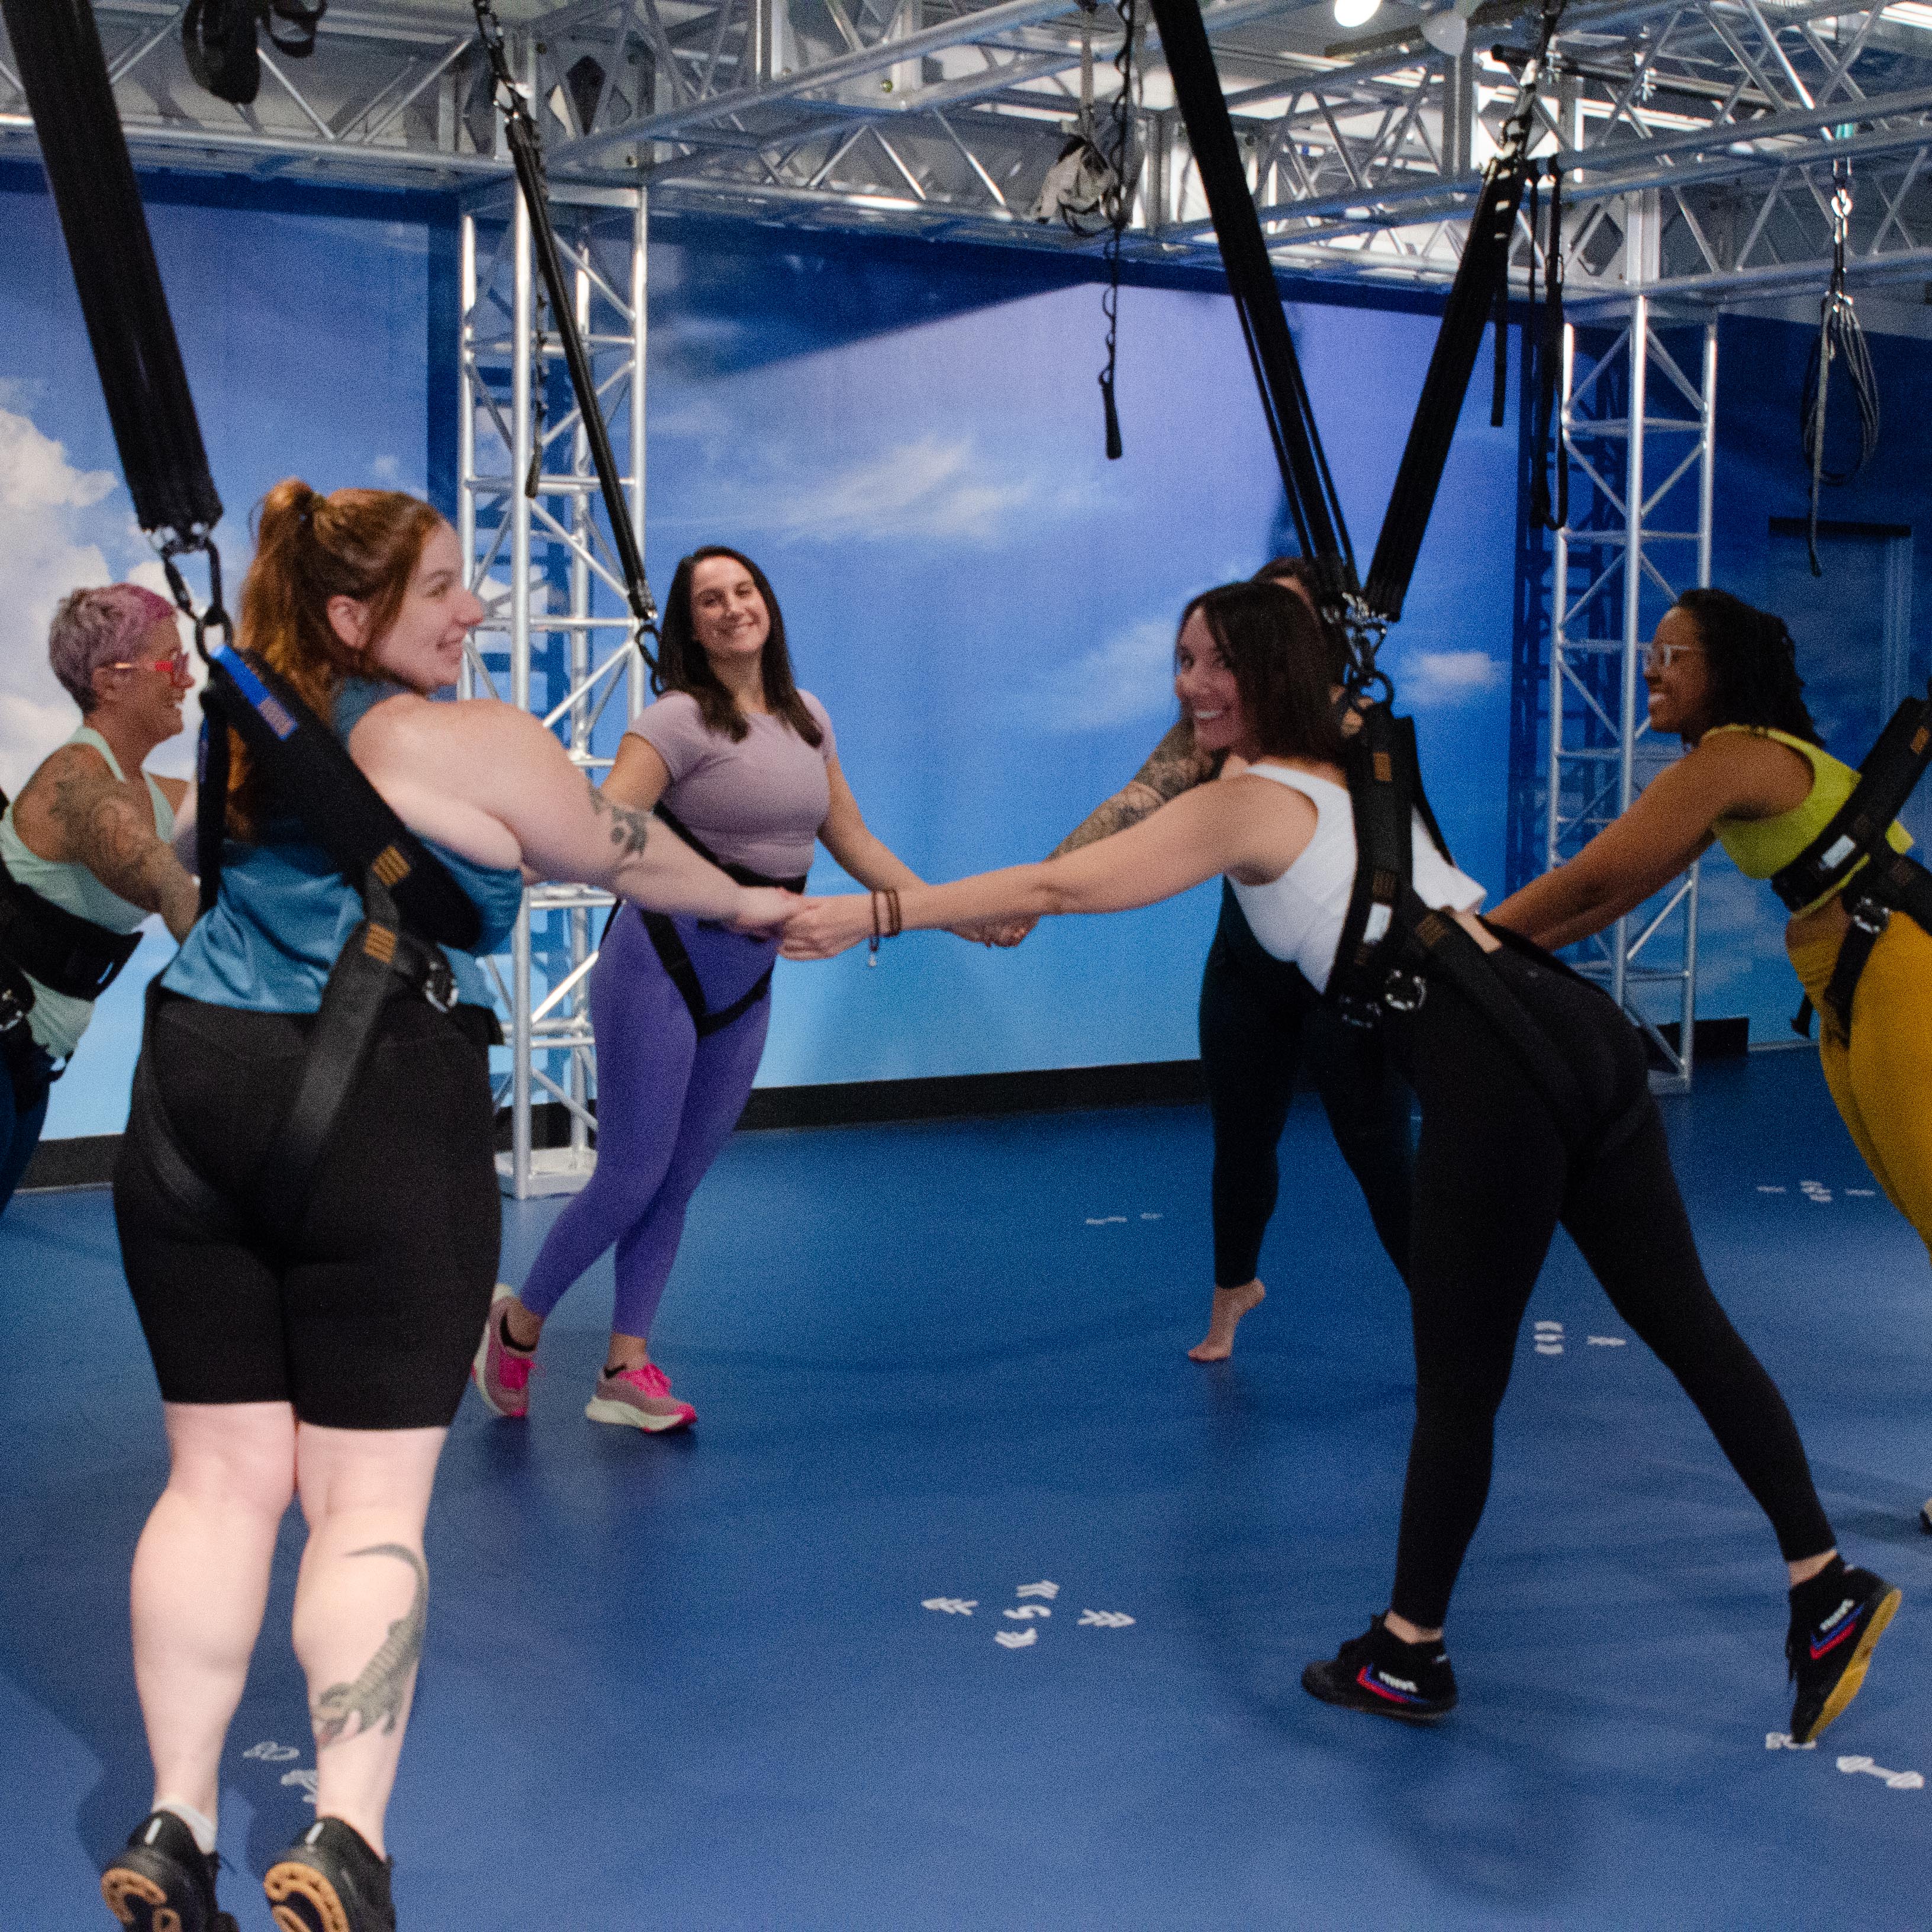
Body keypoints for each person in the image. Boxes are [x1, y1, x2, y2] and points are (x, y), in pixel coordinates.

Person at [781, 579, 1897, 1737]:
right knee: (1685, 1325)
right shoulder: (1350, 768)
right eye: (1182, 659)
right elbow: (1124, 835)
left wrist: (872, 915)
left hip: (1488, 1062)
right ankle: (1822, 1586)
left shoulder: (1251, 800)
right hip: (1570, 1025)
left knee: (1460, 1383)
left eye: (1215, 662)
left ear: (1269, 670)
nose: (1190, 684)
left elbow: (1065, 884)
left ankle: (1410, 1652)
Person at [102, 485, 798, 1932]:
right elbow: (613, 844)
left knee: (214, 1484)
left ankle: (174, 1822)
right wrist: (746, 905)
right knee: (366, 1503)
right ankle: (345, 1836)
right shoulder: (461, 739)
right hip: (372, 1100)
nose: (473, 609)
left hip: (189, 1093)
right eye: (441, 589)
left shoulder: (240, 726)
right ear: (353, 616)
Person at [474, 545, 995, 1431]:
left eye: (743, 590)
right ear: (691, 626)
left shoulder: (809, 718)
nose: (732, 607)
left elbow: (853, 840)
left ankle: (624, 1369)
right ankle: (517, 1329)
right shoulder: (675, 721)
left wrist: (946, 912)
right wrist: (503, 862)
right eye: (709, 600)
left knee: (677, 1181)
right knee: (631, 1175)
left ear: (768, 604)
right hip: (659, 965)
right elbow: (604, 826)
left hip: (746, 987)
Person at [1489, 587, 1932, 1535]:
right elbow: (1616, 893)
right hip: (1855, 982)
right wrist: (1480, 959)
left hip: (1901, 969)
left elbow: (1593, 875)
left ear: (1721, 669)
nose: (1650, 669)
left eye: (1672, 655)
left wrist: (1461, 943)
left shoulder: (1734, 756)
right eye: (1651, 653)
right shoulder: (1726, 767)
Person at [999, 557, 1413, 1363]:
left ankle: (1450, 1322)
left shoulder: (1360, 729)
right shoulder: (1219, 727)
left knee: (1384, 1162)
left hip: (1344, 980)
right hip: (1247, 971)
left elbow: (1398, 868)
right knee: (1241, 1145)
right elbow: (1137, 803)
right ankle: (1231, 1300)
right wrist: (1039, 887)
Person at [0, 584, 198, 1216]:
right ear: (111, 681)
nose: (187, 680)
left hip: (30, 1062)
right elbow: (162, 878)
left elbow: (256, 817)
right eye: (172, 663)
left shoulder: (159, 795)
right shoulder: (73, 780)